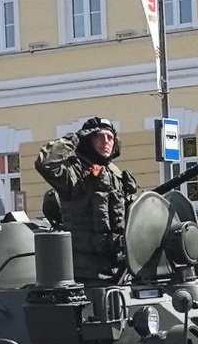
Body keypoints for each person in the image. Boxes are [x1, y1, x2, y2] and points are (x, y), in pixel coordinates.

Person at [35, 117, 139, 284]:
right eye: (99, 136)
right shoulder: (74, 173)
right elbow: (44, 163)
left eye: (110, 137)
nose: (106, 142)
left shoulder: (116, 176)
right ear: (87, 140)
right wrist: (74, 138)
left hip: (119, 271)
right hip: (84, 273)